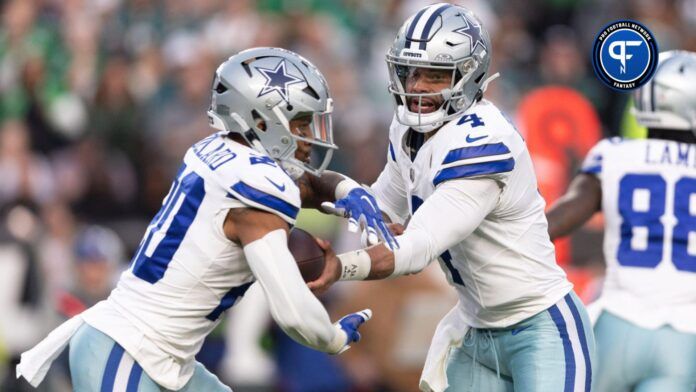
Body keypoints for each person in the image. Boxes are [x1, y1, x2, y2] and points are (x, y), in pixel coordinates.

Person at [16, 47, 388, 391]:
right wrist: (334, 337)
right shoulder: (258, 194)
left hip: (163, 356)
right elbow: (295, 314)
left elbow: (304, 185)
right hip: (129, 350)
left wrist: (346, 190)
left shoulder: (214, 150)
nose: (310, 137)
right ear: (260, 121)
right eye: (301, 123)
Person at [309, 4, 595, 391]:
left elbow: (416, 248)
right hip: (474, 330)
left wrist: (343, 266)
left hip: (539, 327)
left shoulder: (482, 142)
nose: (418, 87)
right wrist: (303, 195)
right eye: (411, 72)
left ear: (469, 76)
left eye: (436, 75)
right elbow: (381, 209)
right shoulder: (407, 128)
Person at [546, 50, 696, 392]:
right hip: (685, 337)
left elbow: (567, 213)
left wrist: (512, 237)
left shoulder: (614, 154)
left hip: (618, 321)